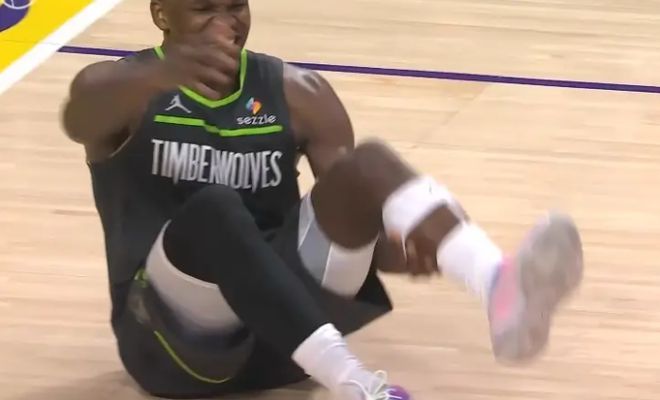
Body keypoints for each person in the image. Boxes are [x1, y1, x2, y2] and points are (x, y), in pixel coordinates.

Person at [60, 0, 584, 399]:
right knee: (214, 210)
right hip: (171, 347)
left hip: (282, 344)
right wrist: (164, 74)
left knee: (369, 166)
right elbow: (79, 118)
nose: (224, 23)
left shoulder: (298, 92)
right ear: (160, 13)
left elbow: (359, 234)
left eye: (236, 6)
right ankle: (358, 386)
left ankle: (497, 284)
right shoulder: (116, 88)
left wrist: (406, 248)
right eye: (203, 8)